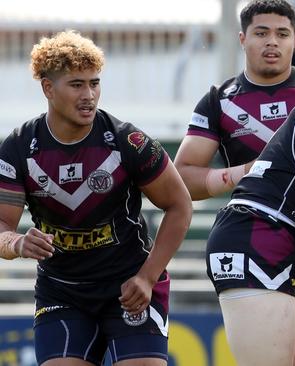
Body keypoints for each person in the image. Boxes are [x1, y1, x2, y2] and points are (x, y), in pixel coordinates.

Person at [172, 1, 295, 365]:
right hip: (265, 230)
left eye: (282, 34)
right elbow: (182, 176)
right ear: (243, 38)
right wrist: (240, 173)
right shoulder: (220, 100)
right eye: (261, 33)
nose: (272, 42)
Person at [0, 30, 192, 366]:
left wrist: (147, 277)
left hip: (130, 286)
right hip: (62, 291)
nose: (89, 94)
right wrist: (17, 243)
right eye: (77, 84)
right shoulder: (17, 148)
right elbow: (2, 226)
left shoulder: (127, 141)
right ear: (48, 88)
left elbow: (180, 205)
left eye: (95, 83)